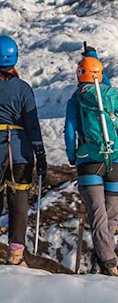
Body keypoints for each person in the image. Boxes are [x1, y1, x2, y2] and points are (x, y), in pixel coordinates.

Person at [0, 34, 46, 266]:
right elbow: (32, 125)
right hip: (20, 152)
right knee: (19, 201)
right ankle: (15, 255)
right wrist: (41, 154)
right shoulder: (23, 88)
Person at [64, 53, 118, 276]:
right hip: (115, 160)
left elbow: (69, 131)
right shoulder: (112, 94)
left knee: (97, 215)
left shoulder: (76, 99)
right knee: (112, 214)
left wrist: (73, 156)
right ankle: (107, 259)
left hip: (89, 163)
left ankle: (107, 262)